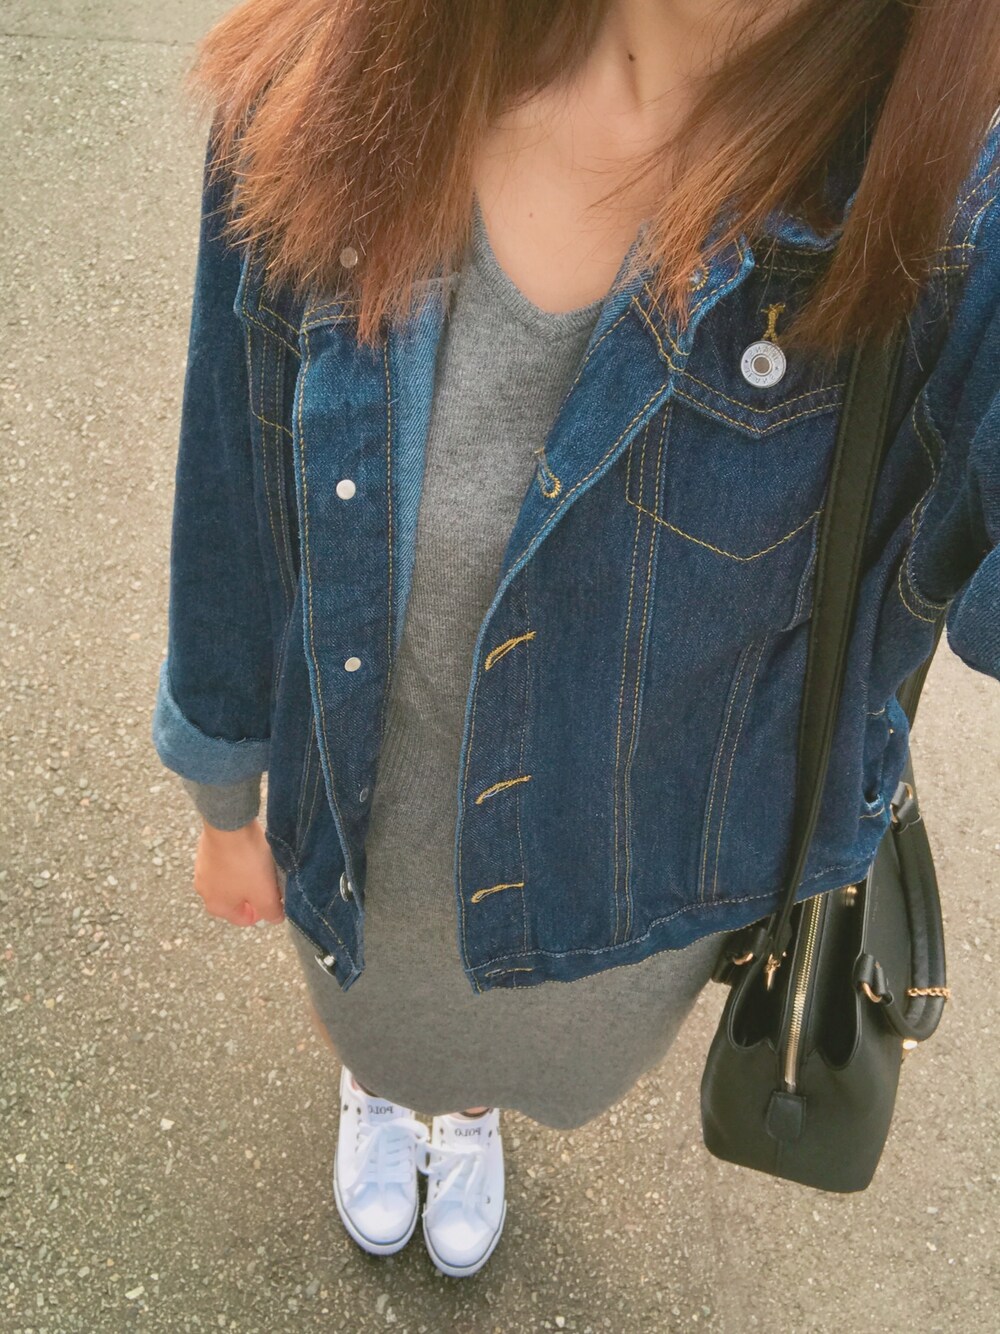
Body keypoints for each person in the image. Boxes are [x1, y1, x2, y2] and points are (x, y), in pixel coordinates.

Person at [152, 0, 1000, 1279]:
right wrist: (224, 802)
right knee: (378, 1026)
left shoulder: (944, 202)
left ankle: (468, 1106)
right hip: (359, 838)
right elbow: (231, 490)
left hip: (618, 904)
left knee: (508, 1051)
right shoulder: (318, 78)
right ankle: (384, 1088)